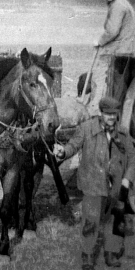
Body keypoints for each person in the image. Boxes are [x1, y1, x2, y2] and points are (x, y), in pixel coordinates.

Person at [54, 97, 135, 269]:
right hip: (92, 182)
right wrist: (62, 152)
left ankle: (111, 253)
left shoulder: (123, 132)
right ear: (100, 113)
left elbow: (133, 157)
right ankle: (88, 254)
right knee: (90, 221)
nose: (112, 118)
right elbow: (73, 146)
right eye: (108, 114)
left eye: (114, 114)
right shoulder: (86, 128)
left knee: (116, 220)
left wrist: (127, 179)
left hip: (118, 185)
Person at [88, 0, 135, 116]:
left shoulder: (117, 5)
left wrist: (99, 41)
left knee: (100, 77)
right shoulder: (126, 4)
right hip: (130, 52)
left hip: (119, 52)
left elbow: (113, 31)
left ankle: (95, 111)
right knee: (128, 95)